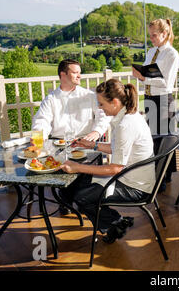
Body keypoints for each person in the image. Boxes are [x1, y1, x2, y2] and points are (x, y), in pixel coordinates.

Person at [59, 79, 156, 243]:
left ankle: (115, 223)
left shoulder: (126, 125)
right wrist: (92, 145)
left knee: (82, 196)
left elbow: (115, 169)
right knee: (78, 183)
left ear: (115, 102)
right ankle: (114, 222)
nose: (99, 107)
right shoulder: (130, 116)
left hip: (135, 187)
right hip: (132, 177)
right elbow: (117, 149)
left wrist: (78, 167)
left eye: (102, 103)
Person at [132, 18, 179, 189]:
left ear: (165, 33)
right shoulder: (151, 51)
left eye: (154, 35)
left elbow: (166, 83)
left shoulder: (172, 54)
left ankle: (163, 177)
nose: (151, 39)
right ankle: (157, 174)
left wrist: (143, 77)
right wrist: (139, 73)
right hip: (150, 98)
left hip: (163, 100)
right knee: (153, 138)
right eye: (150, 35)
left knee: (163, 139)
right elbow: (148, 74)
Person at [32, 59, 111, 141]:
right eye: (75, 73)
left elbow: (104, 115)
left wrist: (97, 131)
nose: (79, 76)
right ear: (63, 75)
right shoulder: (51, 99)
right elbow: (42, 121)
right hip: (59, 143)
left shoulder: (89, 95)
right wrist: (39, 138)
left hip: (86, 141)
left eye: (79, 73)